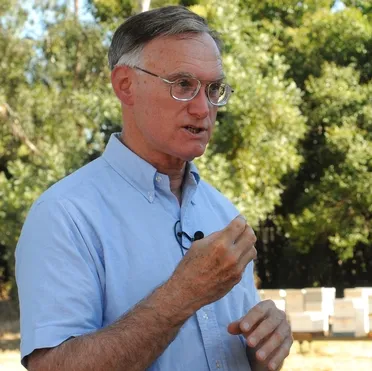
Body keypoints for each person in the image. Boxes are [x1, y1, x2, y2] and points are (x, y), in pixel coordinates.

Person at [15, 6, 292, 371]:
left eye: (213, 89)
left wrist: (262, 346)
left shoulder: (224, 214)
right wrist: (182, 295)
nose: (203, 108)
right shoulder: (65, 215)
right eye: (182, 85)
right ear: (125, 85)